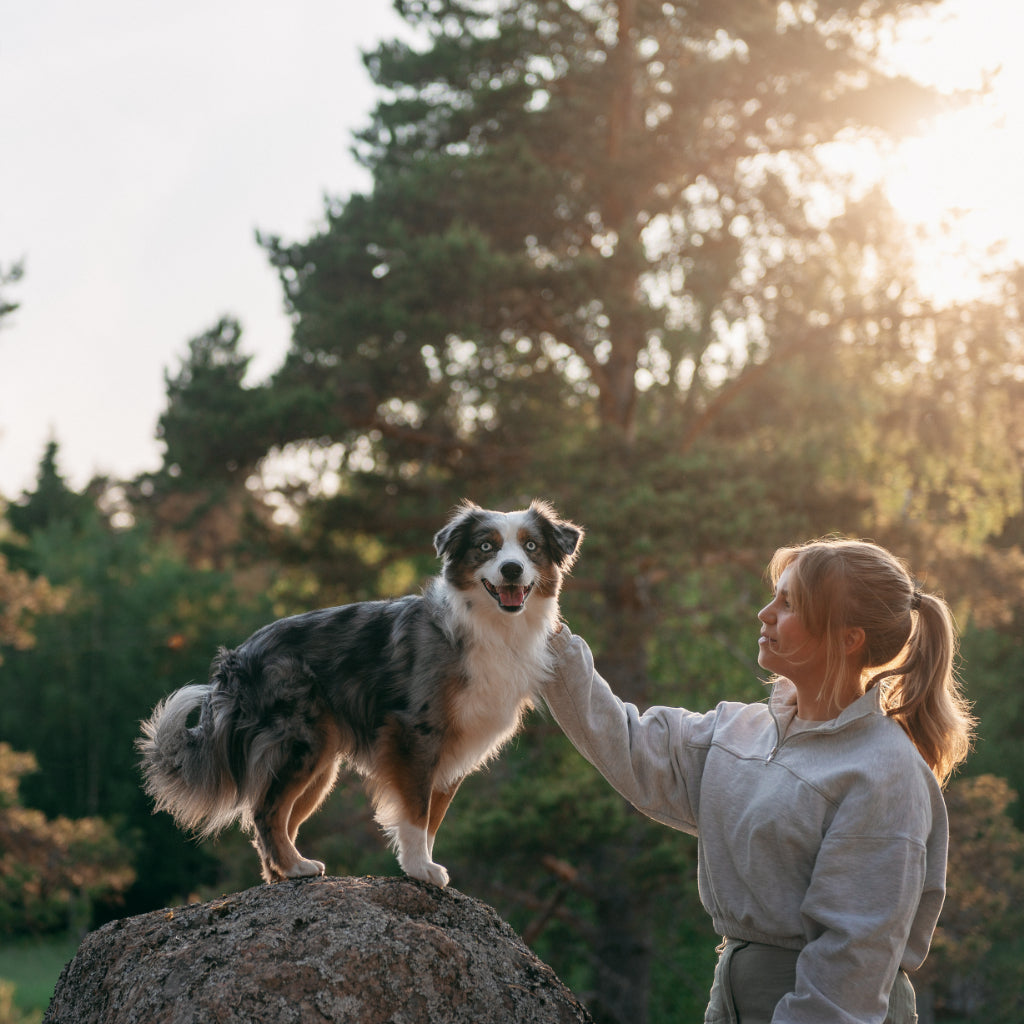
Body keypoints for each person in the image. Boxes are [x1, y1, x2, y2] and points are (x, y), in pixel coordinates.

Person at [544, 537, 975, 1023]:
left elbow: (851, 959)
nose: (764, 614)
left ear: (848, 638)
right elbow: (627, 743)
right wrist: (544, 632)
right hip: (730, 1002)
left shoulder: (885, 772)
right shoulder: (737, 731)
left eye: (788, 604)